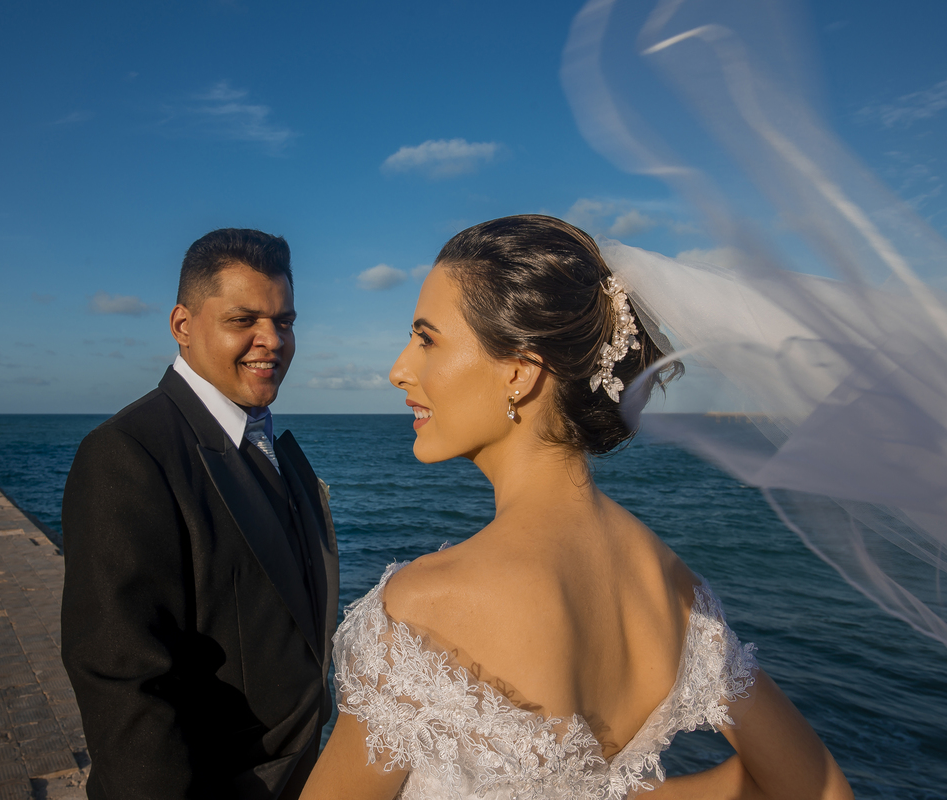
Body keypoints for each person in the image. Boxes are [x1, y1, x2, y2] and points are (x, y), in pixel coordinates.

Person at [302, 216, 852, 800]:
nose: (399, 369)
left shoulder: (423, 610)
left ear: (519, 371)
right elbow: (819, 788)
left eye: (427, 339)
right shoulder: (673, 587)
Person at [62, 228, 339, 799]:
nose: (273, 340)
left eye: (284, 322)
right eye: (244, 321)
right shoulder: (127, 453)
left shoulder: (263, 441)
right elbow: (124, 683)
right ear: (182, 326)